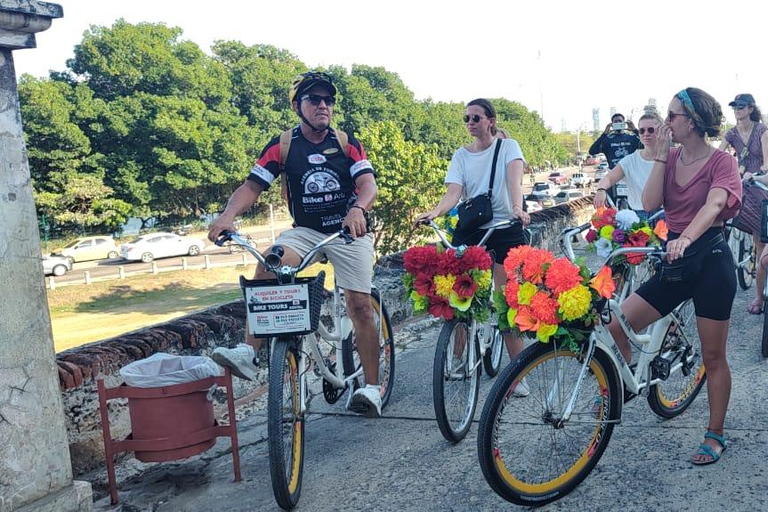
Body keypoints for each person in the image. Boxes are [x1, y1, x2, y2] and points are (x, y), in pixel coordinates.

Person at [207, 71, 384, 417]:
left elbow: (368, 184)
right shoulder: (283, 145)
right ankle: (248, 351)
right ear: (297, 106)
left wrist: (358, 209)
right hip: (306, 230)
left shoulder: (347, 141)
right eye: (314, 99)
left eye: (328, 100)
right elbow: (251, 187)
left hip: (348, 229)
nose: (323, 106)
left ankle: (372, 387)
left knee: (360, 305)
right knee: (270, 262)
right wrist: (226, 216)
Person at [607, 88, 741, 465]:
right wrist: (662, 158)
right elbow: (650, 204)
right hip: (675, 258)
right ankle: (637, 374)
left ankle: (715, 433)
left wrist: (685, 238)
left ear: (693, 122)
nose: (666, 123)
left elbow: (715, 204)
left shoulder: (721, 164)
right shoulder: (671, 157)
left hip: (709, 259)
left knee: (713, 356)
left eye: (672, 116)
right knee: (618, 322)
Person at [416, 98, 532, 396]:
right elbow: (453, 192)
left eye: (476, 118)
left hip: (504, 227)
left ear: (490, 121)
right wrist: (436, 212)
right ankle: (457, 359)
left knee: (506, 301)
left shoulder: (508, 147)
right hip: (472, 227)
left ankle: (518, 374)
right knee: (459, 295)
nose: (470, 123)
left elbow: (514, 182)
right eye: (466, 118)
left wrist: (518, 209)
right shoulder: (461, 155)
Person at [718, 93, 768, 314]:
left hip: (758, 183)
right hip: (739, 183)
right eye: (734, 107)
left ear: (750, 109)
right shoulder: (731, 133)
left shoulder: (762, 132)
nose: (736, 110)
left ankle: (758, 297)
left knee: (760, 243)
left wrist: (753, 175)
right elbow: (717, 156)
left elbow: (767, 167)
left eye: (740, 106)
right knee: (717, 211)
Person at [594, 111, 664, 221]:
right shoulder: (629, 160)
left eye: (651, 130)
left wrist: (634, 130)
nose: (646, 134)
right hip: (639, 217)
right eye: (642, 131)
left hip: (666, 214)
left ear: (661, 131)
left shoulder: (673, 156)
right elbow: (608, 178)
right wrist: (601, 190)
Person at [589, 113, 643, 204]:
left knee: (637, 201)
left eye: (620, 121)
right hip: (613, 176)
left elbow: (648, 144)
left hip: (631, 175)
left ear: (624, 123)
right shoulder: (607, 140)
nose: (618, 123)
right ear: (612, 124)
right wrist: (604, 134)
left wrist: (635, 130)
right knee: (611, 203)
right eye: (615, 121)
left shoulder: (632, 138)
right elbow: (592, 151)